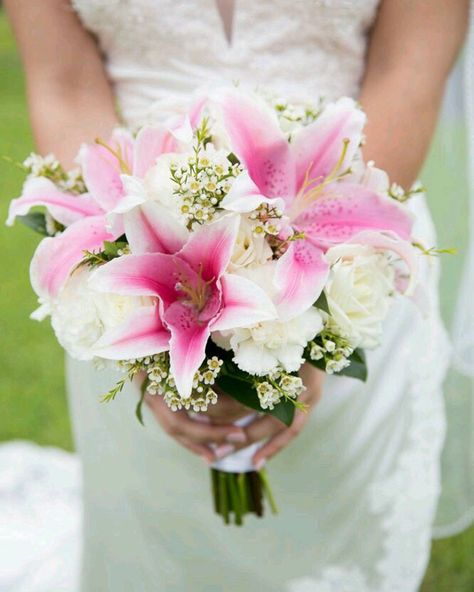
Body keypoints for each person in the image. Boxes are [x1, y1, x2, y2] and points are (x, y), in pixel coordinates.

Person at [5, 1, 468, 590]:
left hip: (352, 232)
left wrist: (311, 325)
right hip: (138, 230)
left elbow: (406, 72)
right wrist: (151, 345)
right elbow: (64, 85)